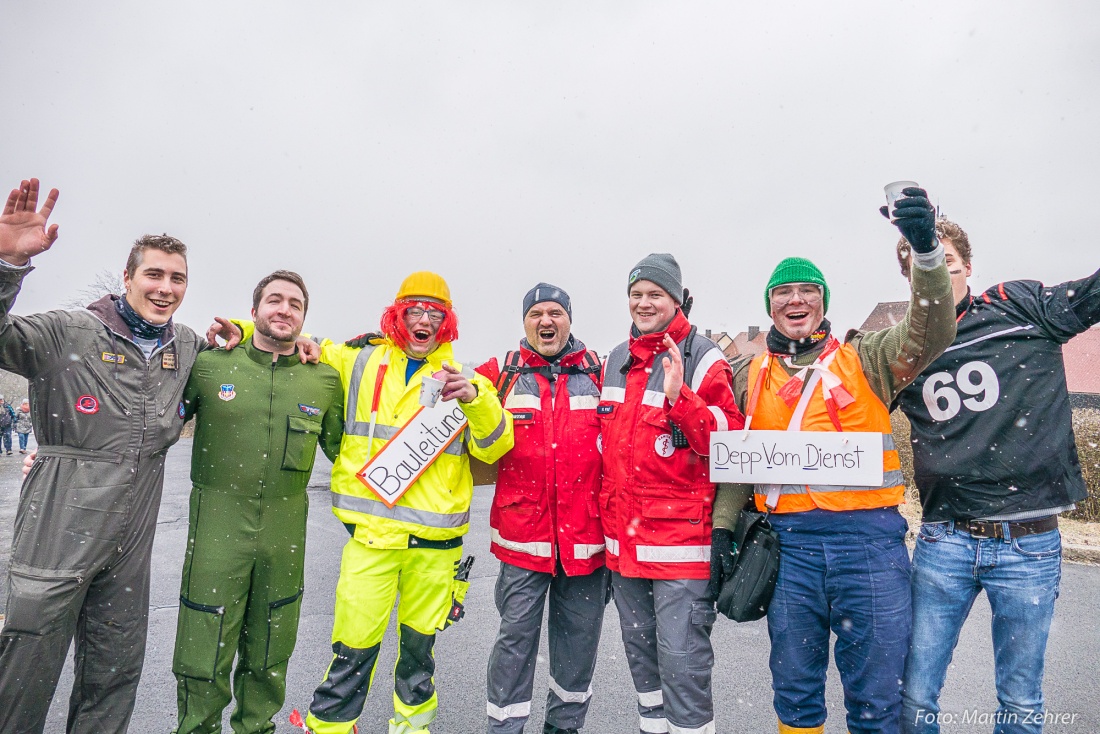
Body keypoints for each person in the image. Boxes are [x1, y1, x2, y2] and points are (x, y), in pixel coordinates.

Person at [211, 271, 514, 734]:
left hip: (435, 550)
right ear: (398, 315)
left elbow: (495, 446)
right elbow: (292, 335)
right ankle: (332, 727)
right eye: (415, 310)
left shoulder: (468, 381)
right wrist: (244, 328)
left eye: (435, 313)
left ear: (447, 323)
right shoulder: (358, 360)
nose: (424, 321)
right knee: (352, 648)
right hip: (369, 541)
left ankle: (412, 728)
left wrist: (475, 400)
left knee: (418, 653)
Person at [713, 187, 956, 734]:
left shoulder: (866, 358)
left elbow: (933, 328)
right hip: (788, 549)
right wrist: (723, 528)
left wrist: (926, 254)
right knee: (794, 694)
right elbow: (739, 457)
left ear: (823, 300)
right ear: (769, 305)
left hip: (868, 545)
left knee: (876, 700)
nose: (795, 301)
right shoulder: (749, 375)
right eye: (783, 293)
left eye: (807, 291)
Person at [0, 179, 205, 733]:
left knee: (113, 672)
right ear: (128, 277)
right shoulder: (69, 330)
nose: (165, 288)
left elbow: (241, 366)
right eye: (154, 274)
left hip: (129, 544)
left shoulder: (185, 346)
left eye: (177, 278)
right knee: (24, 670)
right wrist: (6, 265)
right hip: (56, 531)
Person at [893, 220, 1099, 734]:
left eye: (949, 265)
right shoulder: (903, 347)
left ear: (970, 268)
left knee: (1021, 699)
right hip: (945, 540)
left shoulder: (1018, 306)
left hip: (1028, 541)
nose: (939, 277)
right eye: (924, 271)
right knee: (914, 692)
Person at [172, 271, 344, 734]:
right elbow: (151, 420)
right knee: (202, 647)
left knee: (271, 648)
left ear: (304, 317)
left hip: (284, 539)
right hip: (215, 533)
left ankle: (256, 728)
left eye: (294, 304)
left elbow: (348, 453)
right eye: (274, 300)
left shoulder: (323, 380)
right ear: (254, 312)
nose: (284, 310)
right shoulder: (210, 366)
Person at [598, 254, 743, 734]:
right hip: (624, 549)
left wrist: (683, 399)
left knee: (684, 670)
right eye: (636, 295)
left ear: (676, 299)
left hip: (681, 549)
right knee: (645, 672)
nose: (644, 303)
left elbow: (729, 441)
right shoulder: (615, 359)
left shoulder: (704, 357)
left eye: (655, 295)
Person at [476, 283, 608, 734]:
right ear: (525, 322)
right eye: (536, 314)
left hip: (587, 546)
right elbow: (435, 375)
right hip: (521, 542)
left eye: (555, 312)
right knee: (514, 645)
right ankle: (504, 729)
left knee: (578, 651)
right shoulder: (499, 374)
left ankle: (564, 728)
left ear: (569, 319)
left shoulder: (601, 373)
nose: (546, 321)